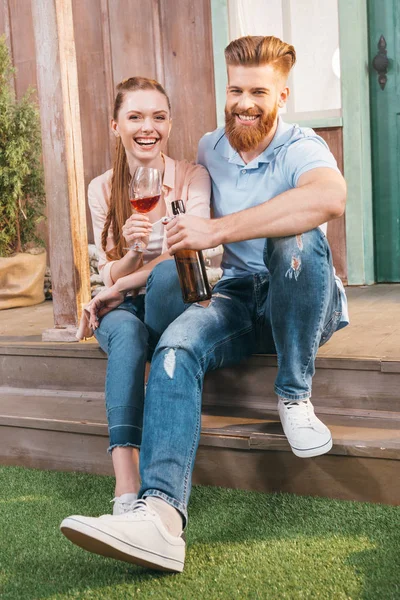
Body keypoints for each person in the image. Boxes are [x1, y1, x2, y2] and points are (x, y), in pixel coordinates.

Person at [61, 36, 349, 574]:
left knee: (297, 238)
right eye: (235, 89)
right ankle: (161, 517)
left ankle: (293, 392)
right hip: (237, 295)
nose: (244, 102)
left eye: (258, 91)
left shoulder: (302, 145)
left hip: (300, 295)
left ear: (282, 95)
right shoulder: (211, 147)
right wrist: (126, 270)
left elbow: (329, 198)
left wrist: (215, 228)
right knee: (174, 346)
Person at [75, 76, 211, 515]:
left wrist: (115, 287)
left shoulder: (192, 178)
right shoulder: (102, 188)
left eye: (158, 116)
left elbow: (195, 254)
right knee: (127, 336)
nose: (147, 126)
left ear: (169, 123)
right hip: (122, 307)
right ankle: (127, 489)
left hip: (167, 298)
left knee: (171, 272)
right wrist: (132, 255)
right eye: (134, 116)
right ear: (116, 125)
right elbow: (108, 266)